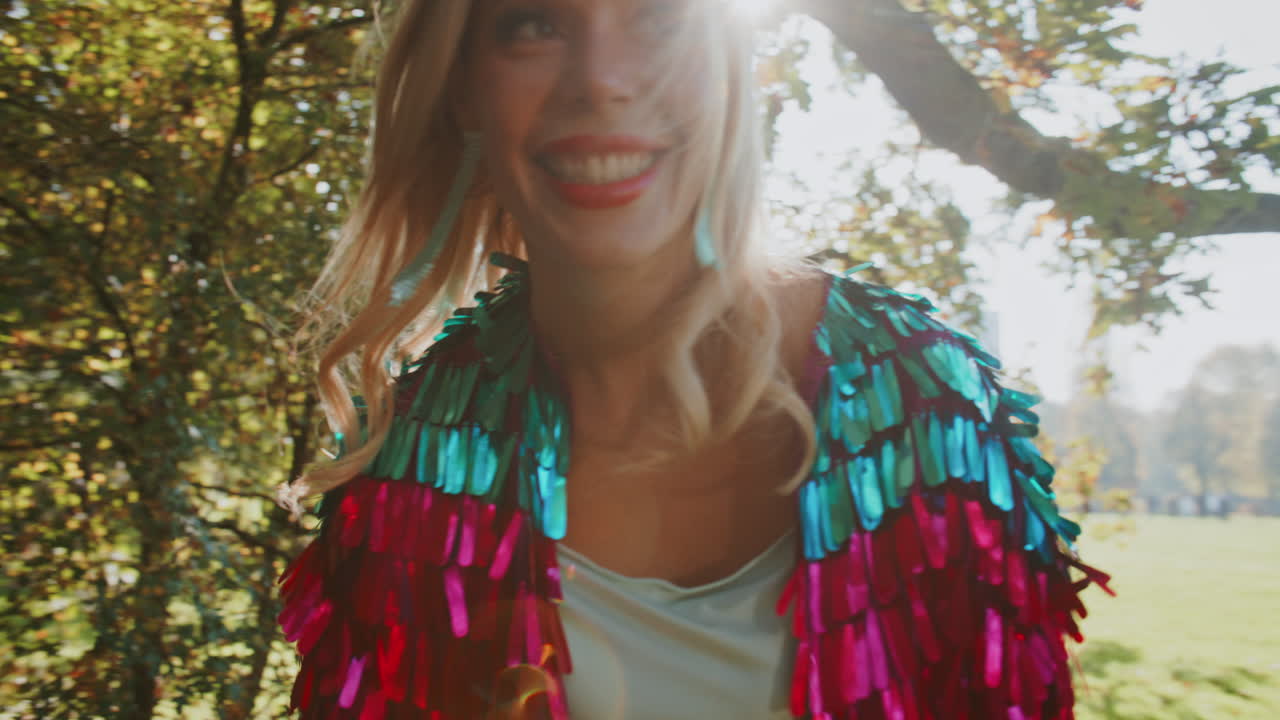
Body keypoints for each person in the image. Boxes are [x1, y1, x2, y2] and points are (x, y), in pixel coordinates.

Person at [274, 1, 1113, 718]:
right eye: (531, 24)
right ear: (463, 89)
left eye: (661, 16)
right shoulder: (419, 468)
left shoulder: (928, 413)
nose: (601, 79)